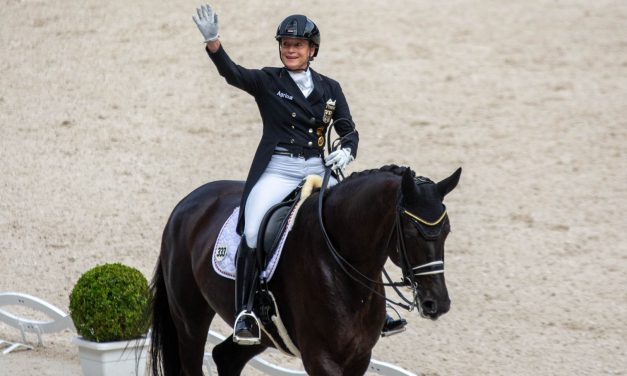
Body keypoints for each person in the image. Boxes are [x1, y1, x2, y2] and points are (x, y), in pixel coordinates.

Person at [193, 4, 405, 344]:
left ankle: (375, 307)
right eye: (286, 44)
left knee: (355, 222)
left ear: (312, 50)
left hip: (319, 168)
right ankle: (247, 309)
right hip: (279, 168)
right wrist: (214, 44)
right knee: (252, 225)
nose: (291, 50)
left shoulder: (330, 88)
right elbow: (233, 74)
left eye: (298, 45)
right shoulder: (267, 80)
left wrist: (347, 150)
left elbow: (348, 129)